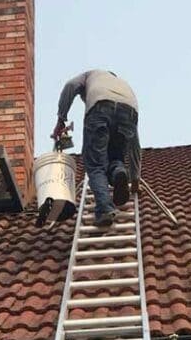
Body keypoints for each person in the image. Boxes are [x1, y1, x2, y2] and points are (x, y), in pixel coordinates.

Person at [53, 70, 141, 226]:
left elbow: (70, 85)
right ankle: (119, 171)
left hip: (100, 108)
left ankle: (105, 209)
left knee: (95, 165)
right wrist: (135, 179)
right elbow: (135, 144)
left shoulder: (89, 75)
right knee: (116, 157)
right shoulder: (122, 86)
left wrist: (61, 119)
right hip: (130, 111)